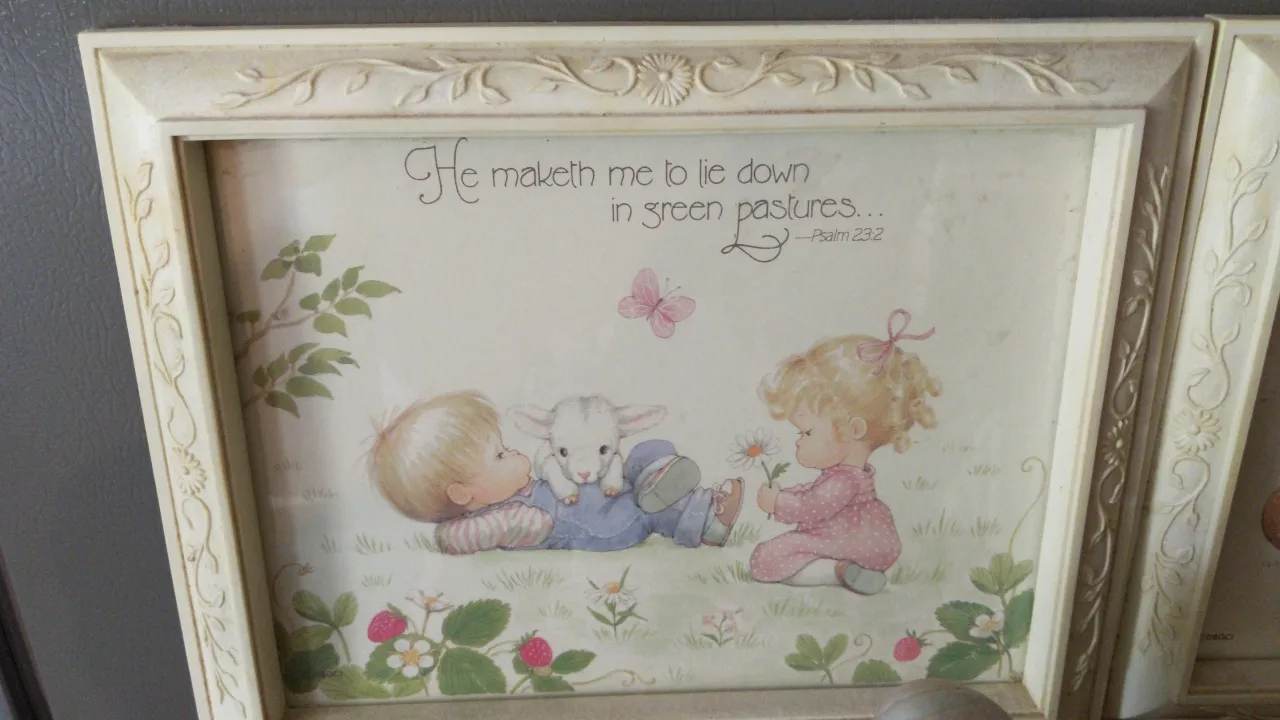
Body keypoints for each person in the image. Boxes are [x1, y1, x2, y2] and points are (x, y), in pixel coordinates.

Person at [368, 390, 742, 554]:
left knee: (645, 453)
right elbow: (461, 536)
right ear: (464, 494)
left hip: (601, 496)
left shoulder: (521, 493)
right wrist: (448, 534)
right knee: (647, 510)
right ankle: (708, 521)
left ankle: (660, 473)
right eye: (500, 455)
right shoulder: (511, 518)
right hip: (604, 524)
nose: (514, 453)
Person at [749, 309, 941, 595]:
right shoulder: (853, 477)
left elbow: (813, 505)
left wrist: (778, 503)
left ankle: (838, 571)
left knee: (765, 559)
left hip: (843, 541)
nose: (799, 442)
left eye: (807, 432)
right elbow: (815, 495)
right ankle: (854, 571)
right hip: (874, 542)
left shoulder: (844, 481)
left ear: (854, 430)